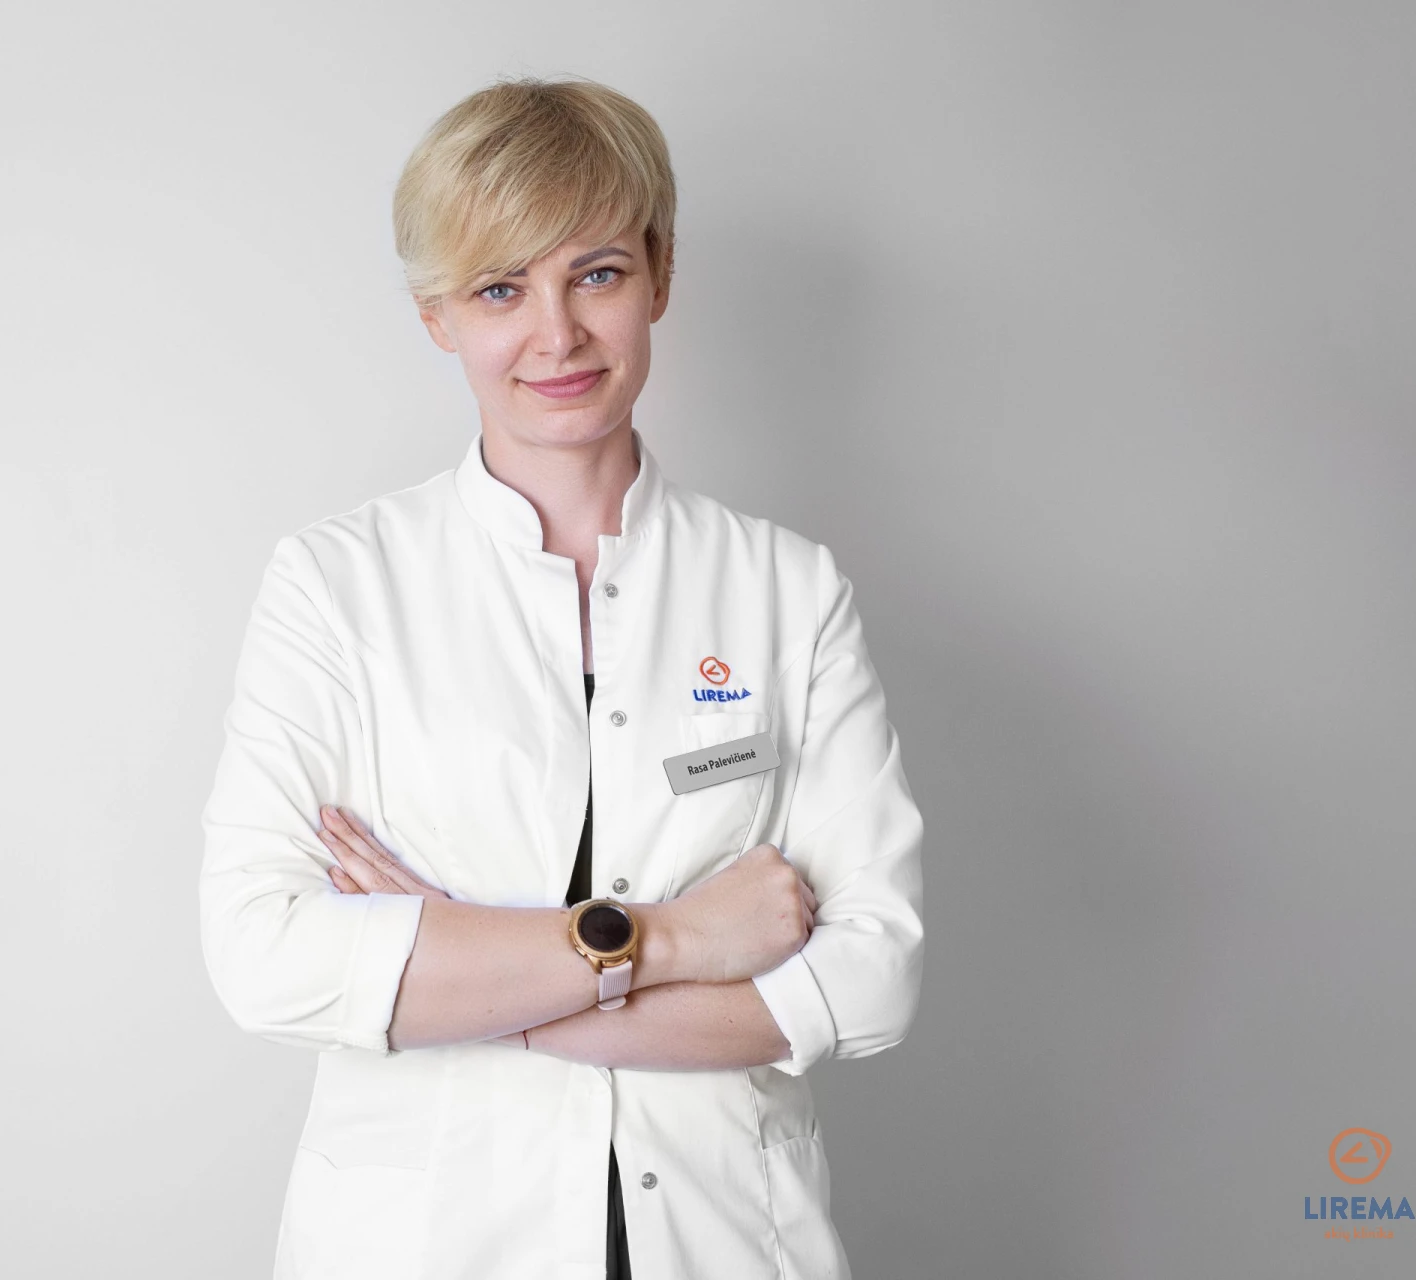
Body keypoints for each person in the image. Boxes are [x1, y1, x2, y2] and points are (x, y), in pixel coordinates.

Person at [198, 74, 925, 1280]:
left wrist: (470, 984)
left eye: (597, 273)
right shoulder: (336, 585)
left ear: (660, 275)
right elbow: (266, 955)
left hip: (723, 1238)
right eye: (500, 288)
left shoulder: (787, 589)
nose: (557, 335)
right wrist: (681, 936)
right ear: (438, 315)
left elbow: (873, 976)